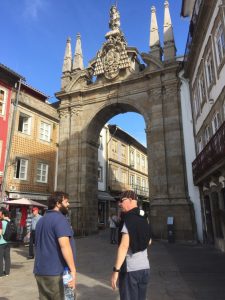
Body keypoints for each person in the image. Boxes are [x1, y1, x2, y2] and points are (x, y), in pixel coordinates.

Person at [34, 191, 76, 300]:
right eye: (66, 202)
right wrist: (73, 270)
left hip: (40, 271)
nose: (68, 204)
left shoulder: (41, 221)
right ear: (58, 203)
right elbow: (65, 246)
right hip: (57, 273)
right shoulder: (60, 220)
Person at [111, 190, 151, 300]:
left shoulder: (128, 219)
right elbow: (149, 241)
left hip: (131, 270)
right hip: (145, 268)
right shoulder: (144, 217)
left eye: (121, 201)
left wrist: (116, 271)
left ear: (130, 200)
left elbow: (124, 246)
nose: (119, 204)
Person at [0, 208, 11, 277]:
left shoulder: (1, 222)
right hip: (8, 242)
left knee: (0, 258)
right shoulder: (9, 221)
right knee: (7, 257)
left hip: (1, 242)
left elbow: (1, 232)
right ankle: (7, 272)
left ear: (3, 215)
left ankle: (0, 273)